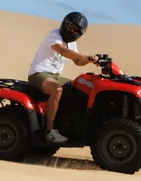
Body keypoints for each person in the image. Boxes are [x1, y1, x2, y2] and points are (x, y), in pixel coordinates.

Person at [27, 11, 98, 143]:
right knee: (57, 90)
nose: (71, 31)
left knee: (80, 86)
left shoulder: (71, 44)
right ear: (65, 24)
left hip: (54, 76)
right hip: (38, 73)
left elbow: (77, 61)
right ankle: (49, 131)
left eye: (75, 30)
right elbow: (62, 50)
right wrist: (85, 56)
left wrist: (91, 60)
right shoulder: (54, 35)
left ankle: (69, 125)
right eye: (70, 26)